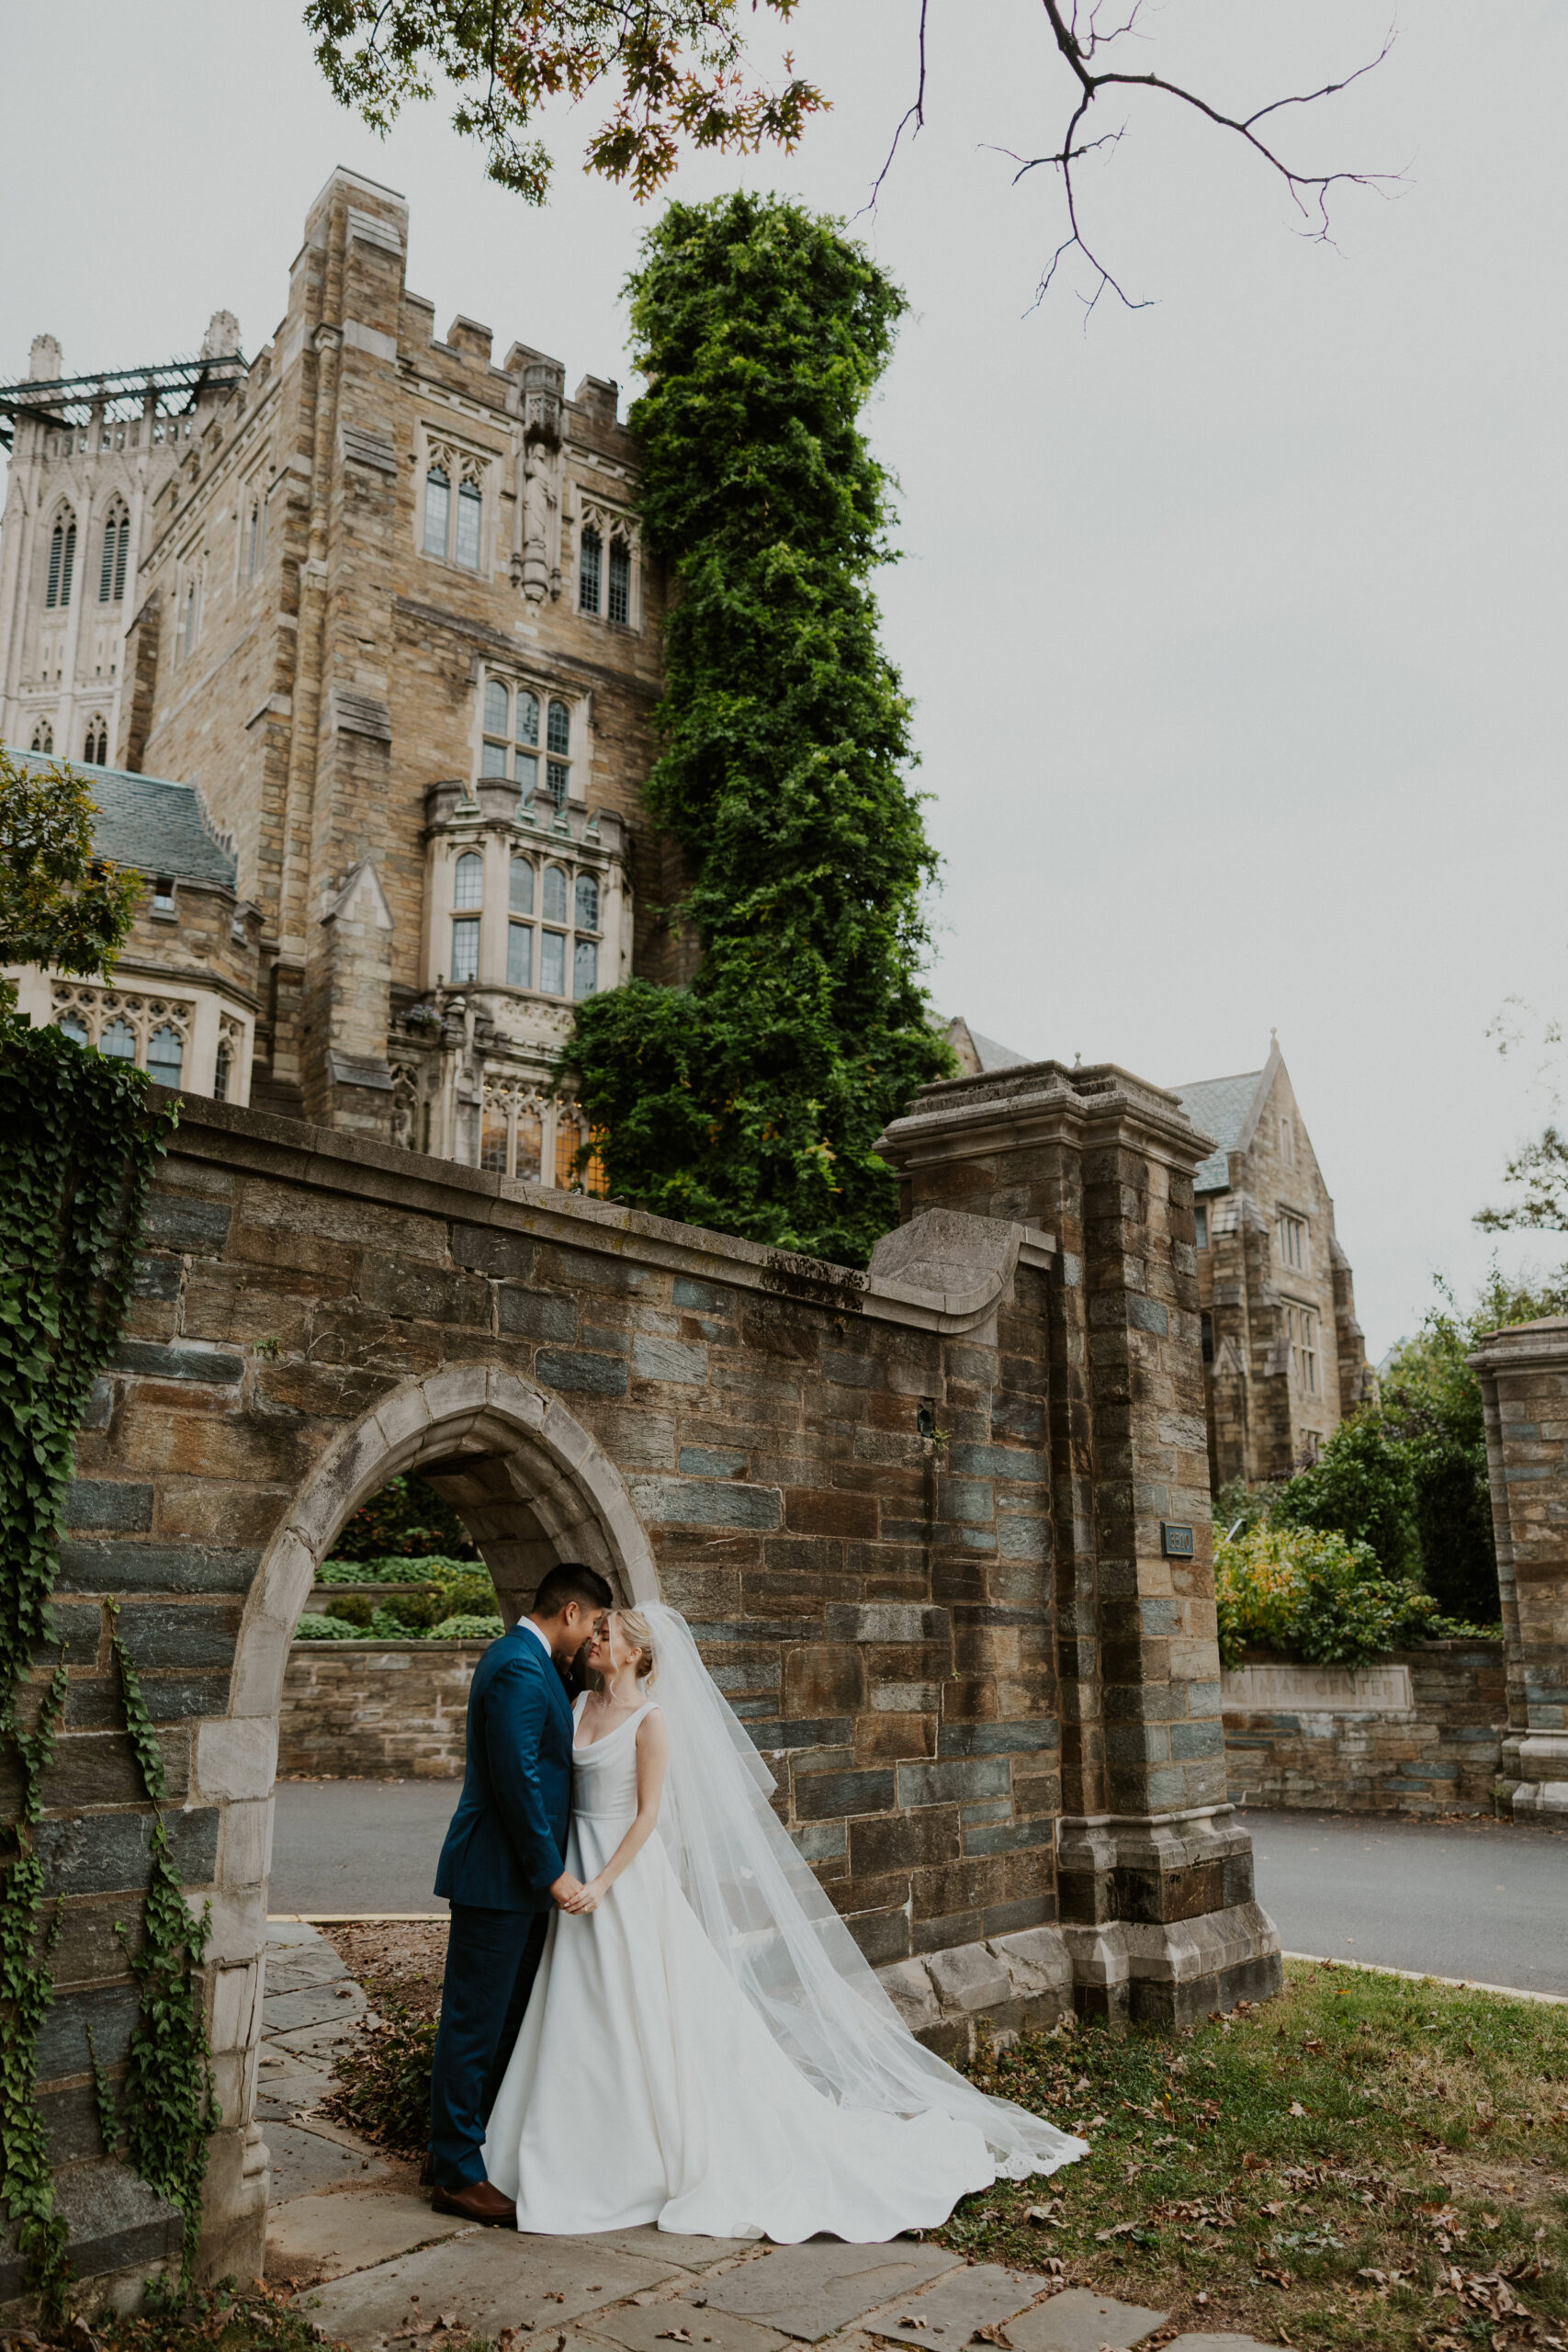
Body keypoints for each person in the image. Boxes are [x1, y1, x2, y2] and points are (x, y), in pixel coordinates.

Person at [481, 1602, 1086, 2241]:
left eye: (606, 1635)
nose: (593, 1641)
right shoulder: (576, 1708)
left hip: (624, 1879)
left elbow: (648, 1817)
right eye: (595, 1632)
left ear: (635, 1651)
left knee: (638, 2001)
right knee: (578, 2003)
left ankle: (645, 2153)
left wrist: (602, 1882)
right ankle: (573, 2144)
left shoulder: (651, 1722)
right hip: (573, 1867)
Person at [427, 1559, 615, 2223]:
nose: (592, 1637)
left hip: (516, 1883)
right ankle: (453, 2172)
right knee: (474, 2023)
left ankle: (477, 2151)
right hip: (496, 1876)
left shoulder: (540, 1666)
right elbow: (516, 1781)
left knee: (503, 2019)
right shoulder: (515, 1666)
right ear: (569, 1612)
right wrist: (553, 1873)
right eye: (592, 1623)